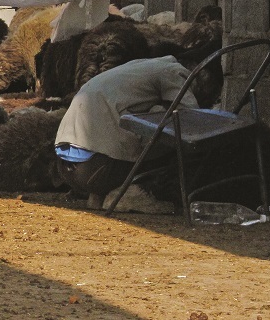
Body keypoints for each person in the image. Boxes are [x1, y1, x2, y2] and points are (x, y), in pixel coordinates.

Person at [54, 55, 201, 210]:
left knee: (116, 125)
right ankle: (134, 195)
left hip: (65, 168)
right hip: (98, 170)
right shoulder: (173, 71)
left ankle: (98, 194)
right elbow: (190, 117)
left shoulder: (134, 69)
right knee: (172, 132)